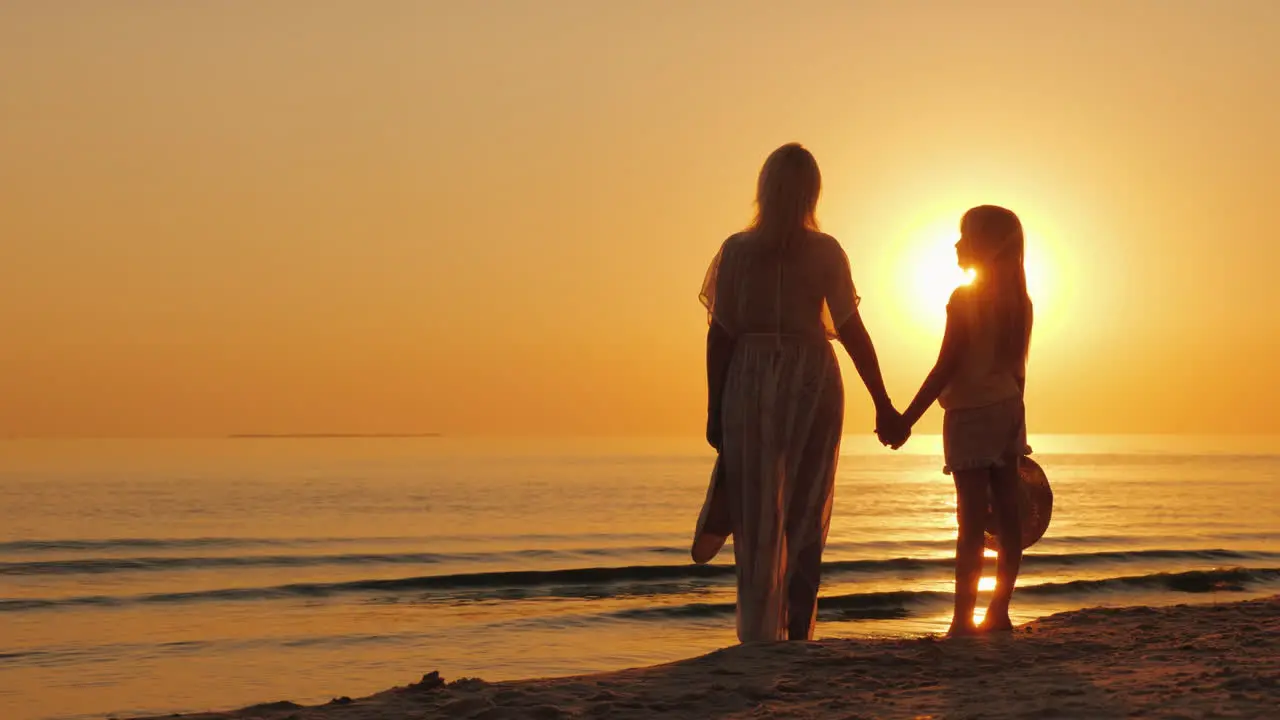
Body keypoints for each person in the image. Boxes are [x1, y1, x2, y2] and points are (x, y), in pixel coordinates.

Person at [700, 143, 901, 642]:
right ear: (813, 192)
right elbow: (852, 329)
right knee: (806, 509)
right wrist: (883, 402)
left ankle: (760, 634)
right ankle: (797, 637)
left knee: (756, 512)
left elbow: (720, 335)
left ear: (763, 190)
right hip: (812, 379)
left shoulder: (736, 251)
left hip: (749, 380)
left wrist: (714, 408)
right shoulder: (825, 250)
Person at [894, 205, 1034, 635]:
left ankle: (961, 619)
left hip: (970, 416)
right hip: (1007, 411)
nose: (956, 244)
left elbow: (945, 368)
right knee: (1008, 517)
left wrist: (906, 420)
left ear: (987, 247)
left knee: (971, 521)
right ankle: (1000, 612)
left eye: (964, 236)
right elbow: (1018, 372)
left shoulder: (964, 299)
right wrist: (1016, 420)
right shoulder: (1019, 301)